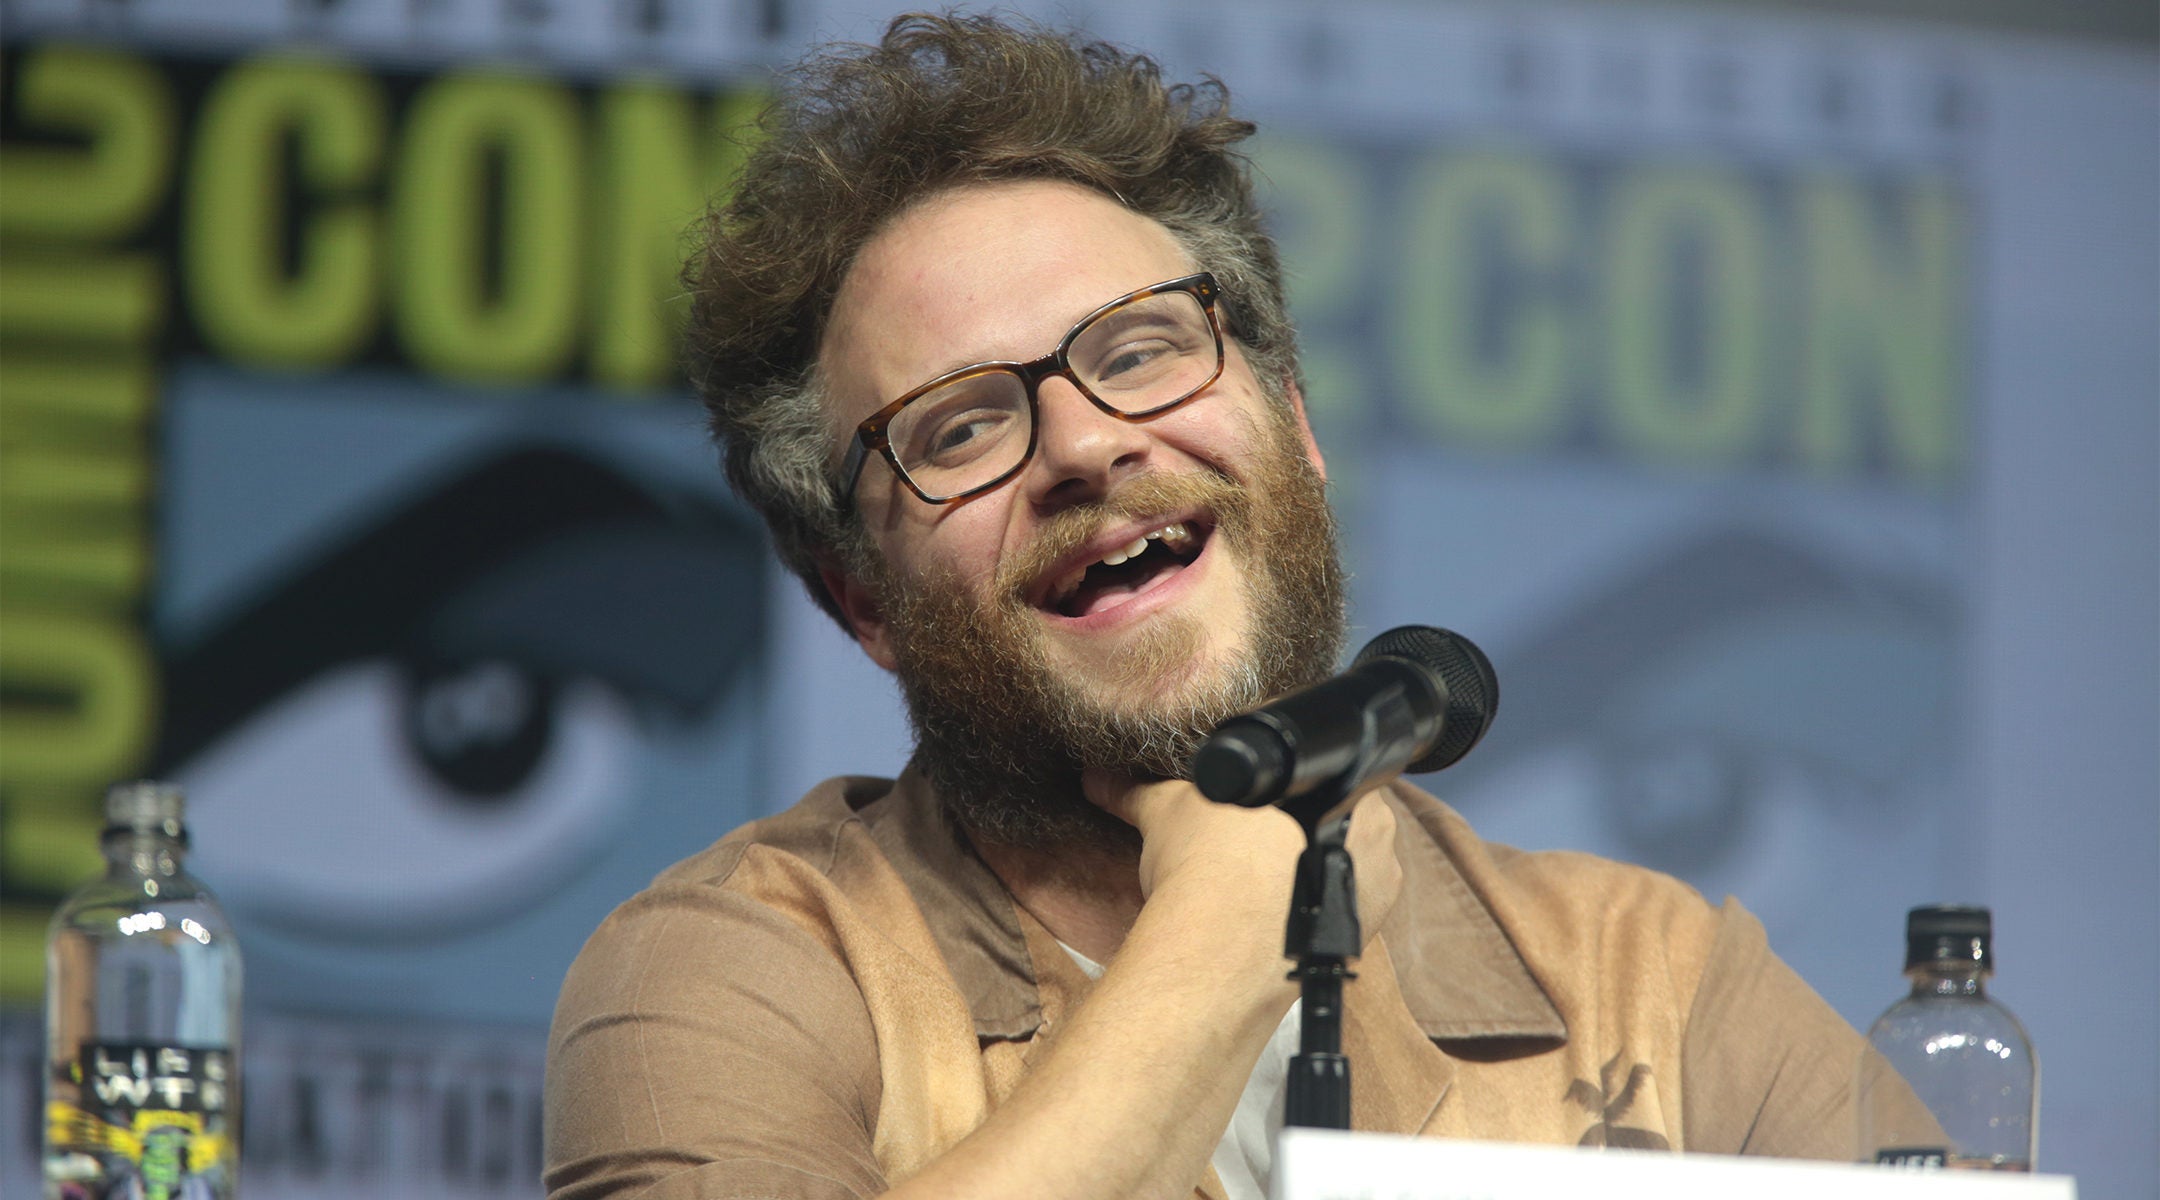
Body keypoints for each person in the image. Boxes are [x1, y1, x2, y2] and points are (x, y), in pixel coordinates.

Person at [545, 14, 1894, 1199]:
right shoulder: (745, 968)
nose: (1084, 447)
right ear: (864, 601)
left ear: (1293, 428)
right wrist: (1232, 923)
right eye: (957, 430)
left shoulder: (1655, 977)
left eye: (1140, 351)